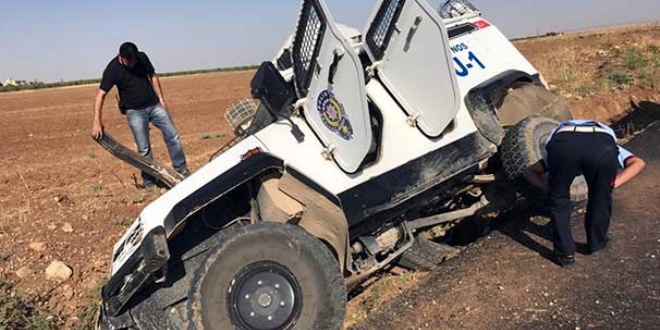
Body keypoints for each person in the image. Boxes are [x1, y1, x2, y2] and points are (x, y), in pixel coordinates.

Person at [524, 119, 645, 267]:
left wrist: (548, 188)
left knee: (559, 199)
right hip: (601, 145)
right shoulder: (610, 141)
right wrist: (610, 185)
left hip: (563, 145)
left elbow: (529, 171)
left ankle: (565, 255)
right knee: (600, 197)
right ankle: (597, 243)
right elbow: (638, 163)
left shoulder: (561, 140)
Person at [92, 42, 189, 189]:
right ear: (121, 57)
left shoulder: (142, 58)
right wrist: (96, 121)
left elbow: (153, 76)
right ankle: (149, 182)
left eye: (134, 60)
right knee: (144, 149)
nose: (132, 64)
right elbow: (100, 95)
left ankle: (181, 170)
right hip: (134, 112)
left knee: (173, 135)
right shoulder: (113, 69)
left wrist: (161, 99)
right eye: (128, 61)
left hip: (154, 105)